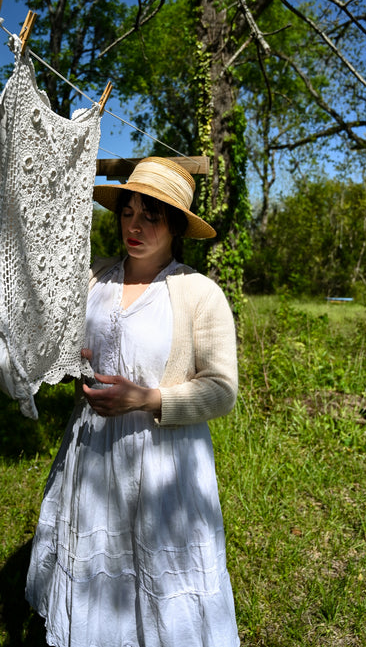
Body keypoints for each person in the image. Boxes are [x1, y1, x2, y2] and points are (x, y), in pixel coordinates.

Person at [25, 156, 240, 647]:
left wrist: (146, 397)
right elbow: (64, 345)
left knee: (161, 575)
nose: (135, 226)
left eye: (151, 215)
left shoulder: (197, 293)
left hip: (163, 464)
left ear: (177, 225)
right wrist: (70, 361)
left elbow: (222, 389)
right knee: (100, 577)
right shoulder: (95, 279)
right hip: (93, 454)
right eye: (128, 212)